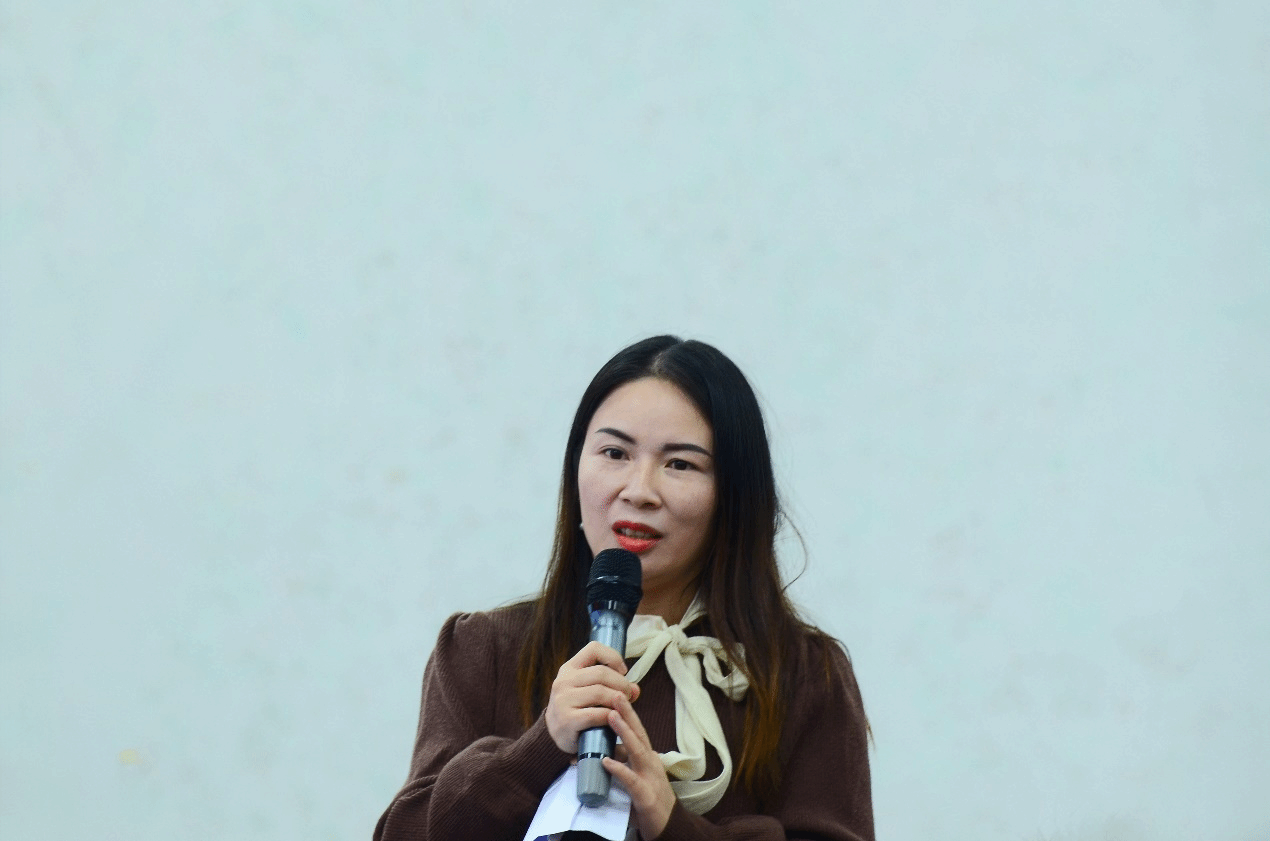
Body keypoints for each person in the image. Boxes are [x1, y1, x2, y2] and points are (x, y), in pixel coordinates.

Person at [374, 336, 874, 841]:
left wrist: (671, 824)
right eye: (614, 453)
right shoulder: (484, 649)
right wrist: (538, 749)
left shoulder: (805, 675)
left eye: (680, 464)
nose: (638, 491)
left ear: (734, 495)